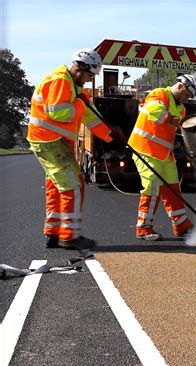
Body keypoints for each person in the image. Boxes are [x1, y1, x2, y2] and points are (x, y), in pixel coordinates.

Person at [27, 49, 125, 250]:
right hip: (50, 141)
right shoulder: (60, 81)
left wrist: (110, 135)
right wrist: (80, 103)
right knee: (74, 185)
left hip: (50, 141)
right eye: (90, 75)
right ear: (81, 68)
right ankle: (69, 236)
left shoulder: (73, 86)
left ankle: (54, 232)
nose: (90, 80)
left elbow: (89, 116)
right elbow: (59, 113)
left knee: (57, 185)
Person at [128, 74, 196, 241]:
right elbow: (155, 113)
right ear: (181, 87)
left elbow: (178, 129)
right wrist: (176, 122)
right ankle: (143, 227)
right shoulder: (159, 94)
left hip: (164, 154)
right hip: (145, 149)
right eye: (187, 95)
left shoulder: (181, 108)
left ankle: (181, 224)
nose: (187, 99)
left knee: (173, 187)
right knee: (151, 187)